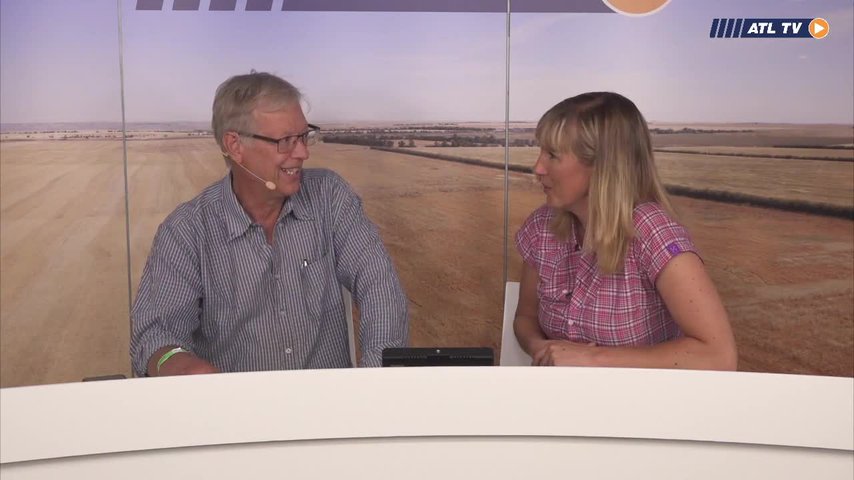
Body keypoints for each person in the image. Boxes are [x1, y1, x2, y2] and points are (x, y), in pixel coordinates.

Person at [130, 71, 408, 377]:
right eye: (285, 141)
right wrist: (175, 362)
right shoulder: (185, 231)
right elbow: (155, 336)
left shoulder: (330, 196)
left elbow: (379, 286)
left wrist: (376, 380)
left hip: (328, 403)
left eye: (303, 136)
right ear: (235, 145)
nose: (303, 152)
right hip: (236, 406)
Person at [514, 92, 737, 370]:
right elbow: (525, 318)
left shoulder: (654, 233)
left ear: (602, 165)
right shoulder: (541, 227)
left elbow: (719, 356)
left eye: (553, 155)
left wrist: (593, 359)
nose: (538, 167)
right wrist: (540, 348)